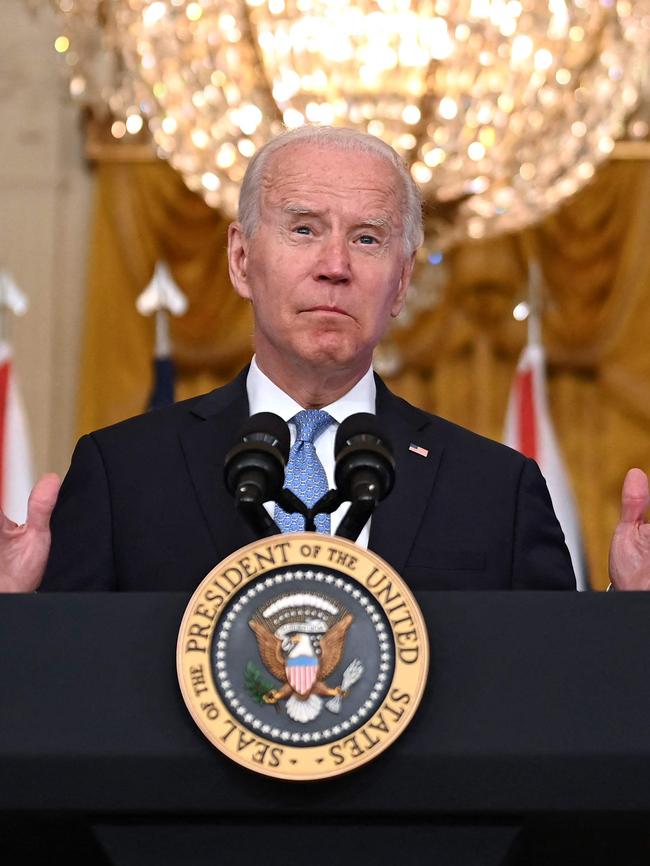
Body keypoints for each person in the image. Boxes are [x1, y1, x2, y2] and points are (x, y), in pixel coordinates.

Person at [0, 126, 648, 592]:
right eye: (304, 229)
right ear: (241, 259)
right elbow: (67, 696)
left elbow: (549, 700)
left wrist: (630, 614)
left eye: (367, 239)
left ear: (399, 283)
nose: (335, 267)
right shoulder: (122, 473)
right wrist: (14, 618)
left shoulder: (498, 491)